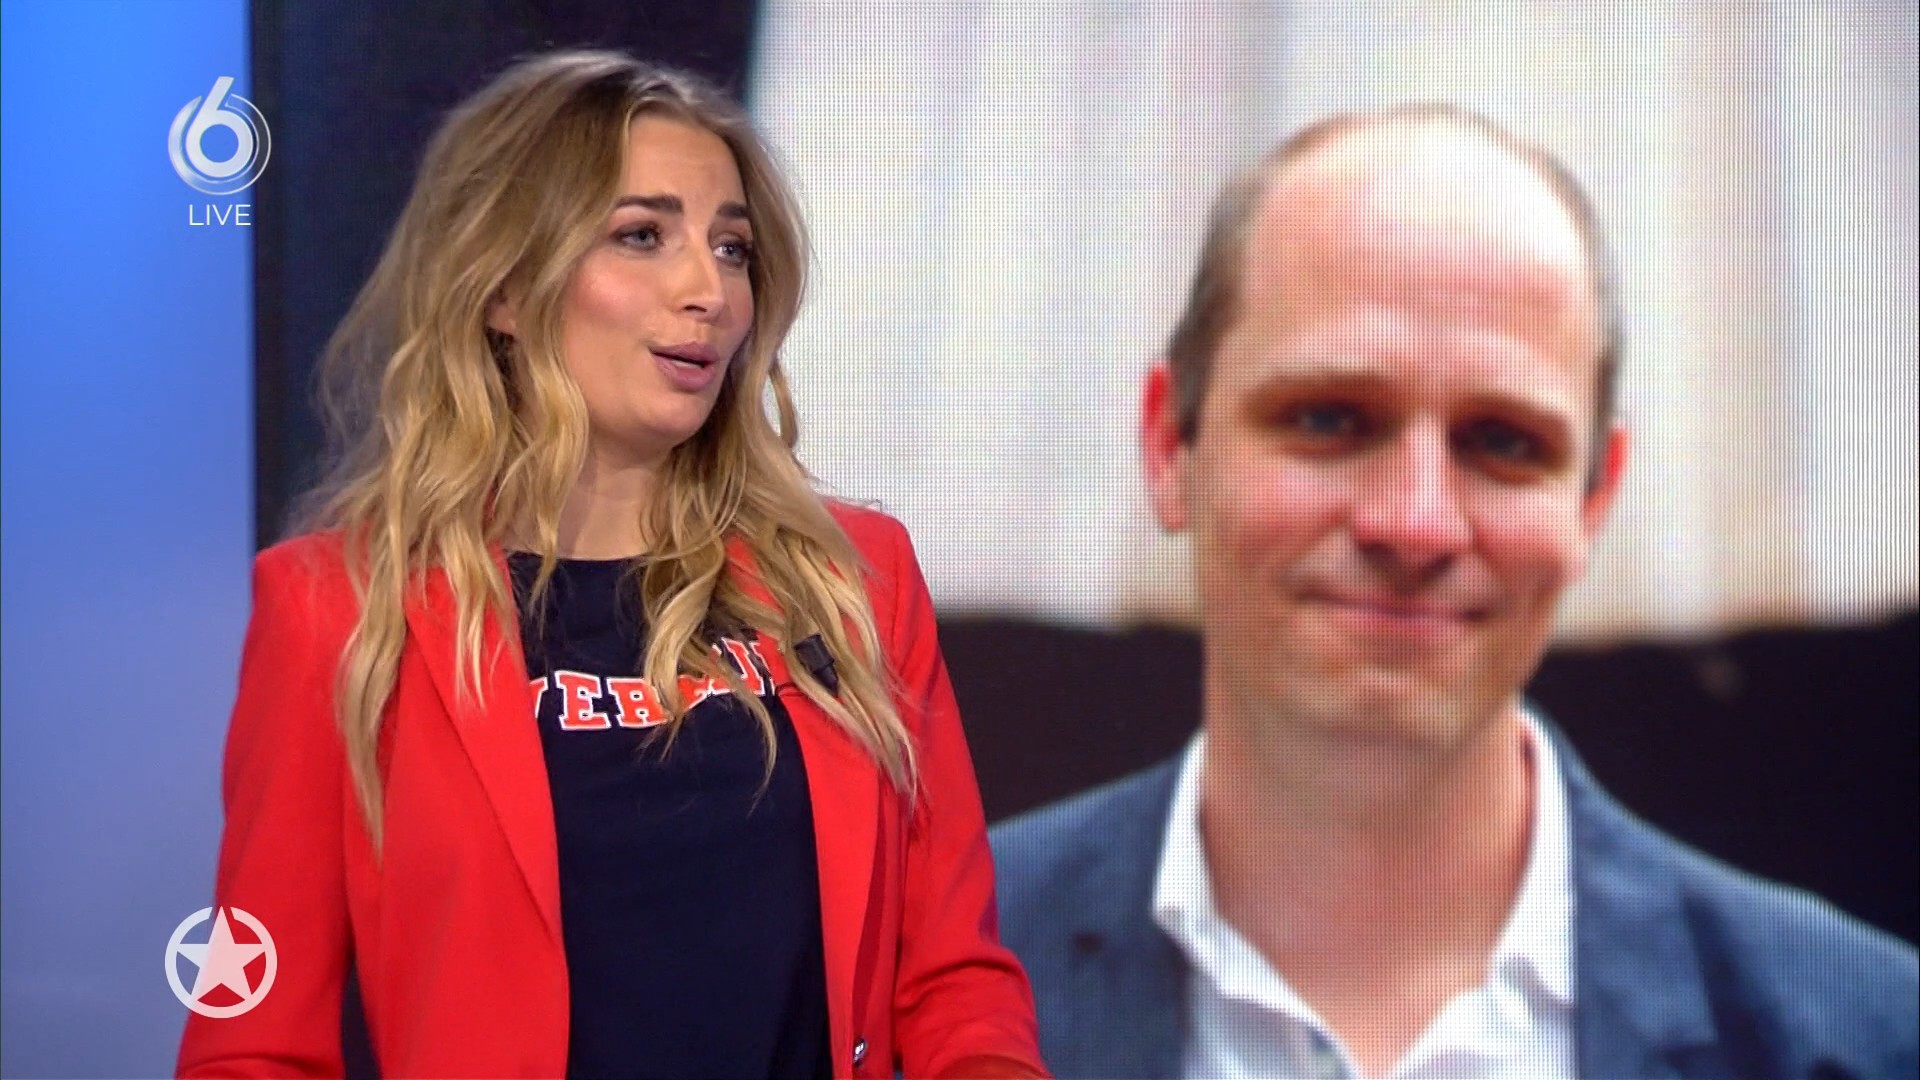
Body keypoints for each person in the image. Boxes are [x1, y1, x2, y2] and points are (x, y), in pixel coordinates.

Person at [990, 105, 1917, 1080]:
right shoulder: (897, 986)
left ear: (1595, 499)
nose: (1416, 522)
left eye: (1503, 442)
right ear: (1169, 445)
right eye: (1329, 418)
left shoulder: (1868, 1042)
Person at [178, 50, 1045, 1079]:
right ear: (505, 288)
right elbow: (255, 1045)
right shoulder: (338, 610)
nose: (709, 290)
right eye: (643, 236)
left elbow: (954, 983)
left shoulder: (854, 579)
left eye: (733, 248)